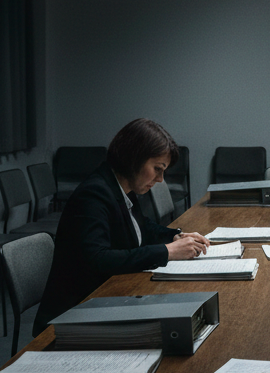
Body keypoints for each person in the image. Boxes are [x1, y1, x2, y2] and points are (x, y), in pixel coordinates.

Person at [33, 118, 210, 335]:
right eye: (157, 169)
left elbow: (142, 227)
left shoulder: (120, 187)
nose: (160, 179)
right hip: (72, 316)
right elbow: (98, 259)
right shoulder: (94, 194)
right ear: (134, 158)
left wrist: (175, 236)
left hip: (105, 300)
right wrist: (167, 252)